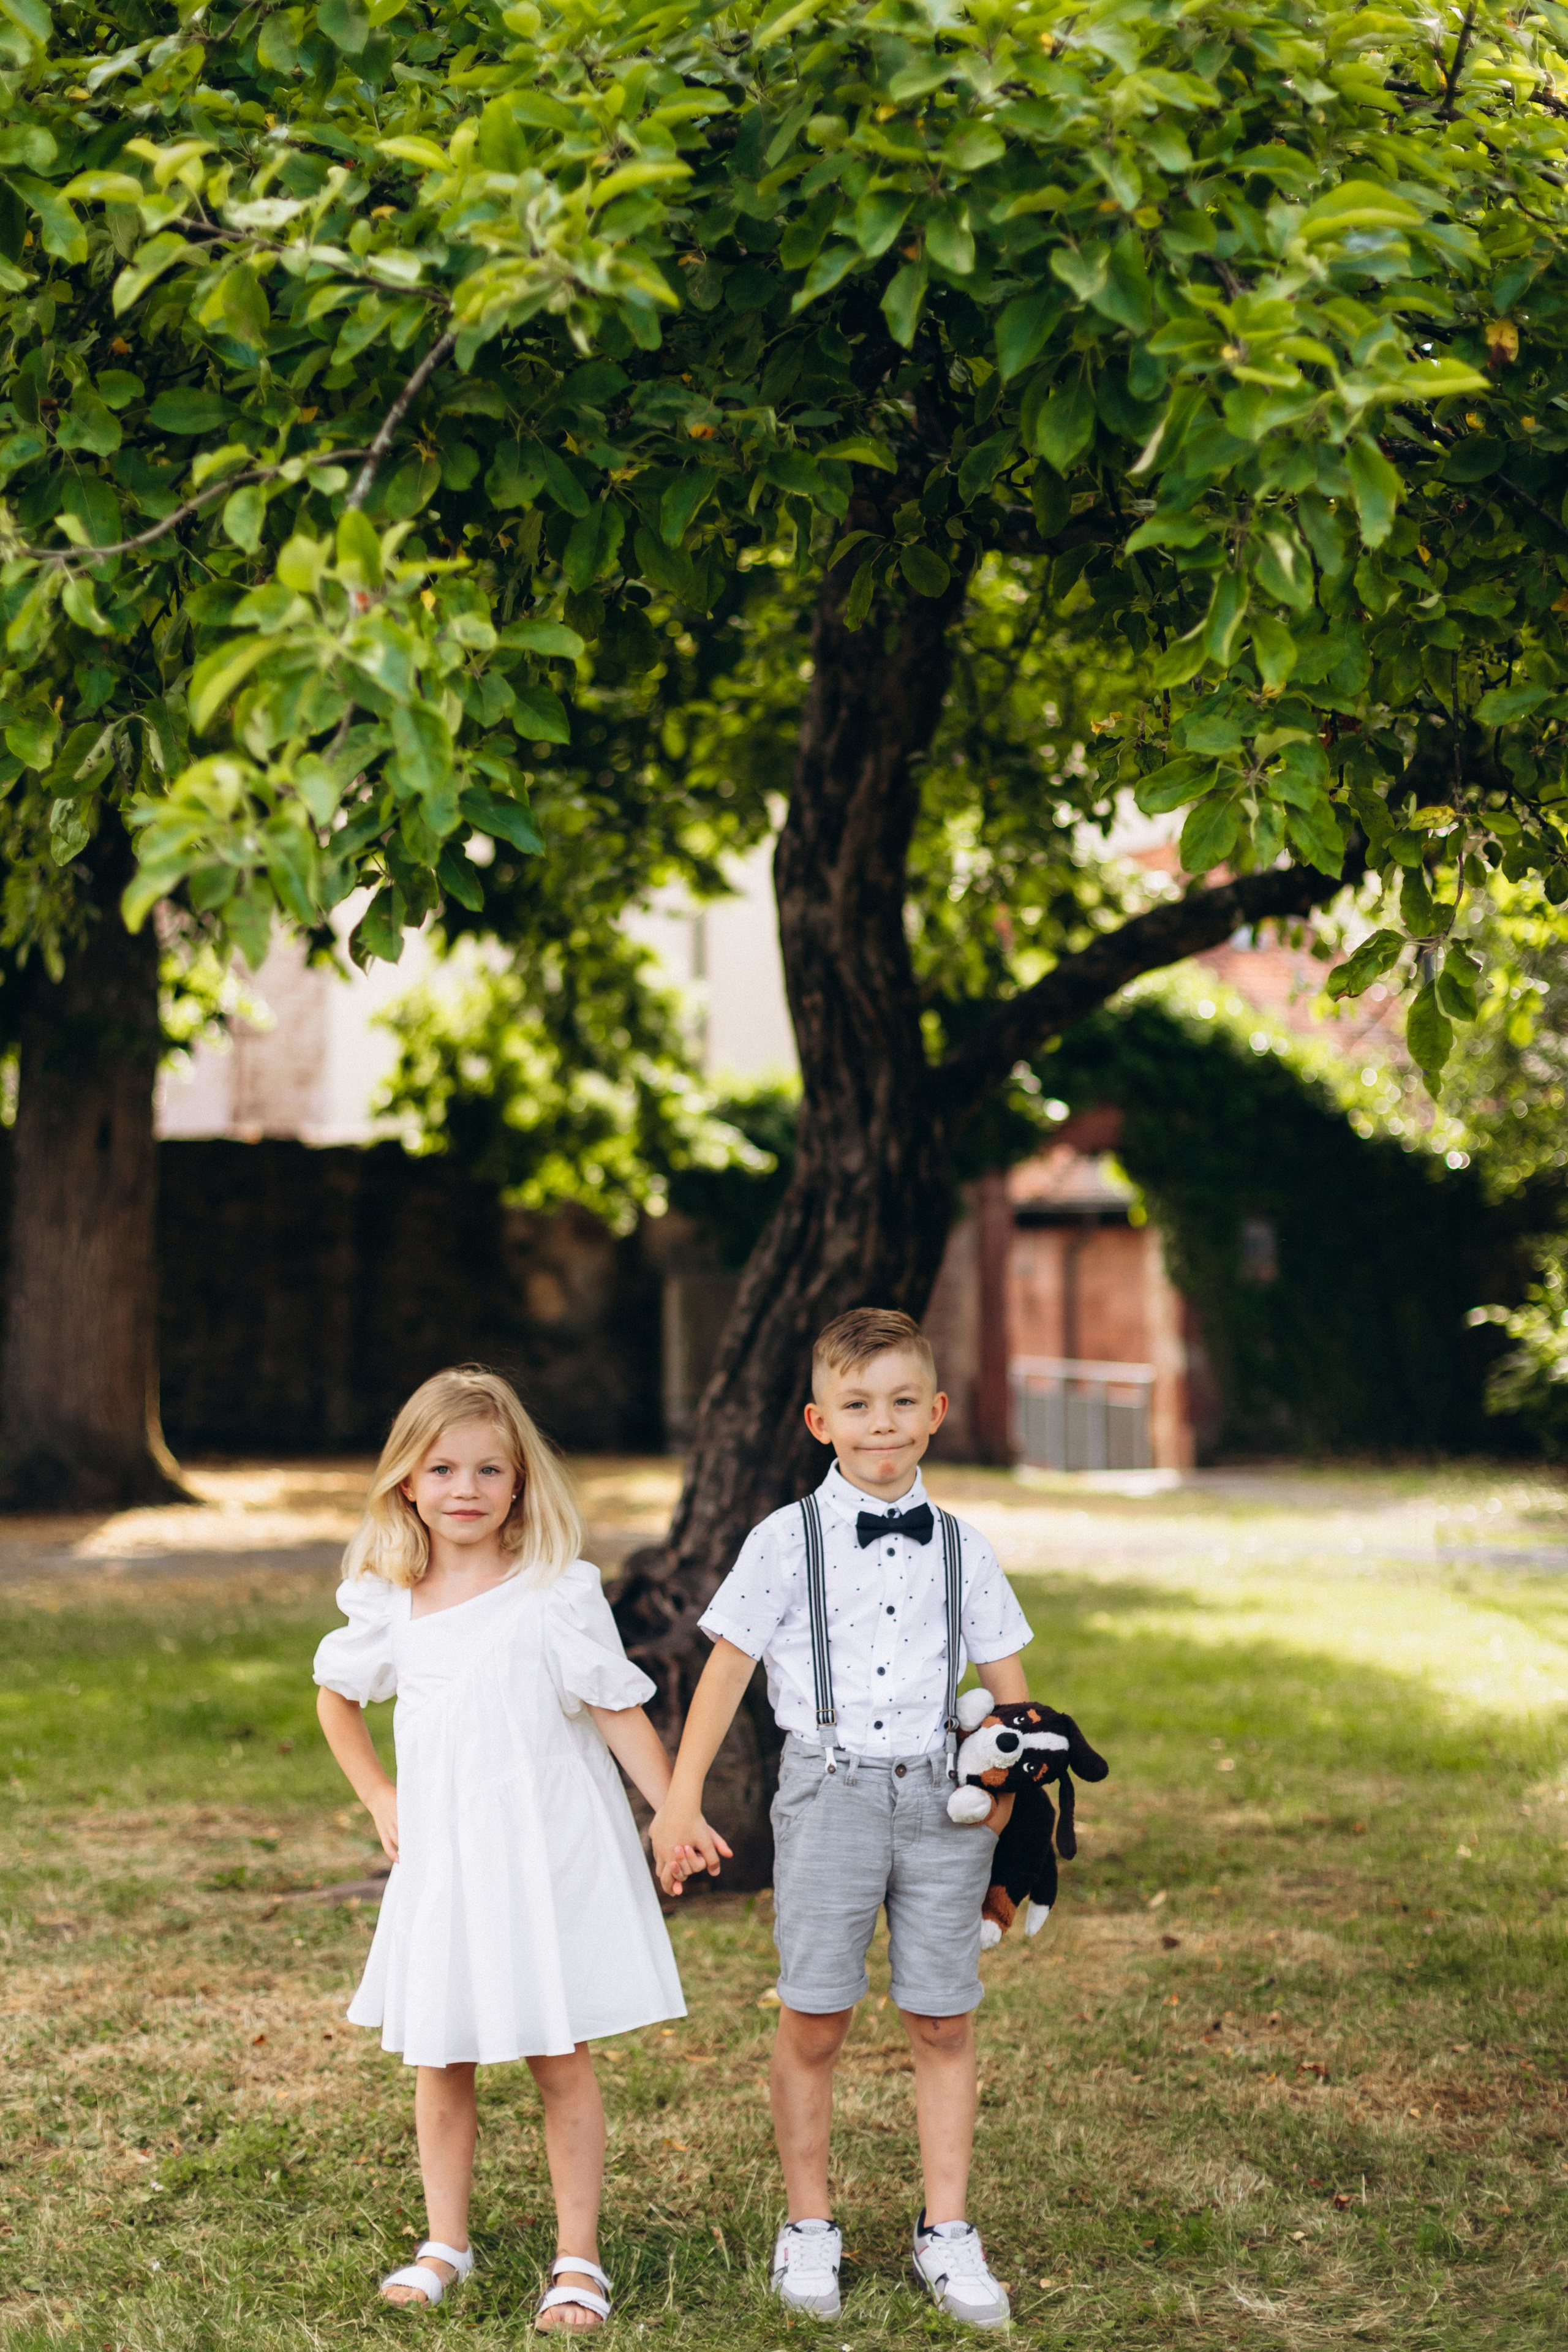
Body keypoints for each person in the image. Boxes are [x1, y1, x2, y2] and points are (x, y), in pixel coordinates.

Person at [650, 1308, 1034, 2332]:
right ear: (820, 1421)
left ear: (937, 1414)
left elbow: (1010, 1693)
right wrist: (680, 1796)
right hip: (828, 1793)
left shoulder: (966, 1546)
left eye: (903, 1402)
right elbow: (727, 1667)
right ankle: (809, 2224)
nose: (882, 1424)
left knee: (944, 2016)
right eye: (858, 1406)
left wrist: (1010, 1795)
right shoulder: (781, 1543)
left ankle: (945, 2230)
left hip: (944, 1802)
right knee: (816, 2013)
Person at [314, 1365, 685, 2333]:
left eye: (488, 1469)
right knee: (442, 2058)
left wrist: (672, 1811)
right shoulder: (389, 1595)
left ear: (521, 1481)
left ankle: (579, 2258)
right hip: (448, 1860)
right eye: (442, 1469)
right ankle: (446, 2242)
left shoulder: (554, 1591)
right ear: (407, 1481)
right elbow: (337, 1700)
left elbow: (616, 1705)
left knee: (558, 2054)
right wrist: (379, 1794)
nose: (465, 1489)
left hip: (542, 1853)